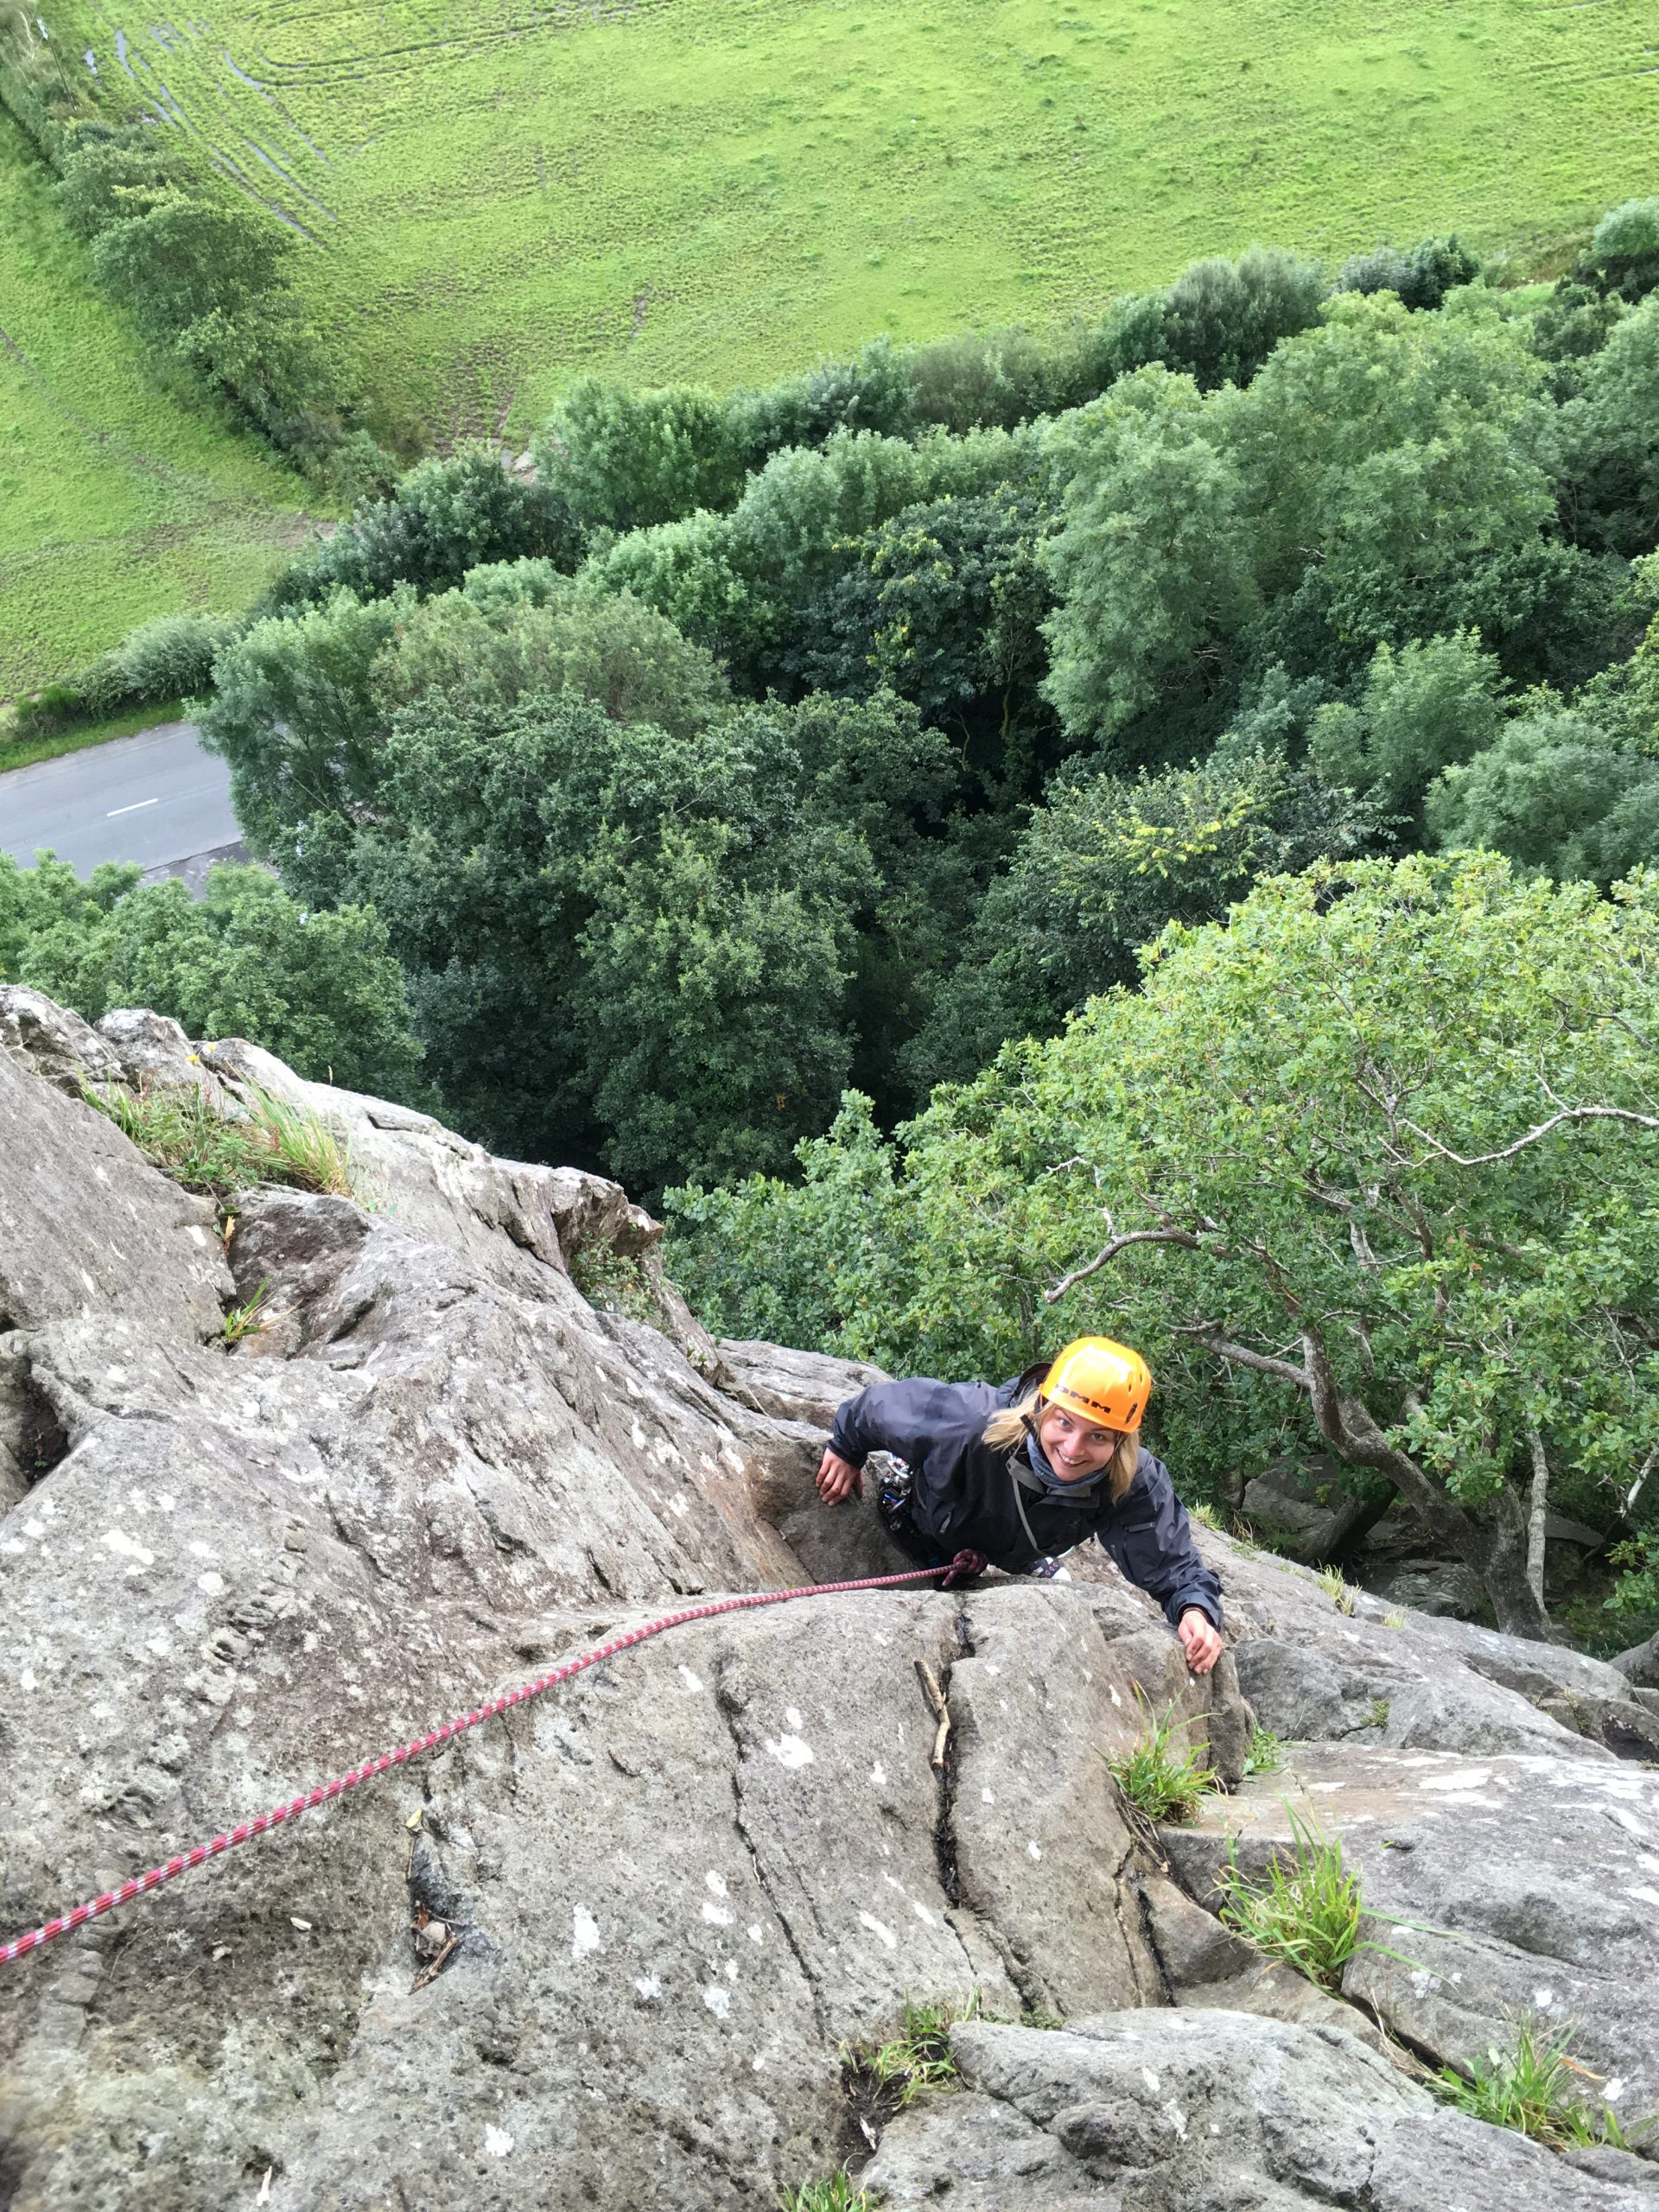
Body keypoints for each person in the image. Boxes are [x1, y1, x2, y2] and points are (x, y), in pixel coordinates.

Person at [816, 1335, 1224, 1675]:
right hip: (919, 1519)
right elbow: (878, 1407)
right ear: (1042, 1407)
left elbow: (1172, 1563)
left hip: (1009, 1552)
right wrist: (846, 1448)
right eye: (1065, 1423)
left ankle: (1022, 1560)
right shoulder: (971, 1423)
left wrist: (1195, 1609)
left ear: (1121, 1441)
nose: (1073, 1449)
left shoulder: (1132, 1482)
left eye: (1098, 1437)